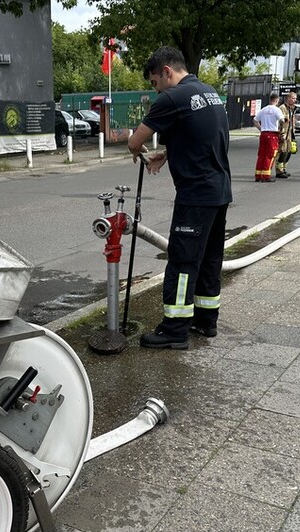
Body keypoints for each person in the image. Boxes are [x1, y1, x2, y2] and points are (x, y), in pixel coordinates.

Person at [127, 46, 232, 350]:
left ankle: (174, 330)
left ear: (166, 72)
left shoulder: (171, 98)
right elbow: (202, 137)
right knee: (210, 259)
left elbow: (135, 140)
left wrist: (138, 151)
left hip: (196, 195)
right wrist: (168, 153)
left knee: (183, 261)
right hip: (219, 191)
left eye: (154, 82)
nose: (155, 88)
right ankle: (206, 321)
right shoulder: (208, 92)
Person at [253, 92, 284, 182]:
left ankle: (258, 175)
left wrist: (261, 128)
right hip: (272, 134)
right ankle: (266, 175)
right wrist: (281, 130)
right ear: (277, 100)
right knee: (270, 155)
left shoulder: (263, 109)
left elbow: (255, 120)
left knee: (261, 155)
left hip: (263, 134)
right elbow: (282, 120)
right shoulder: (277, 110)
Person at [276, 91, 297, 179]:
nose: (295, 100)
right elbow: (280, 122)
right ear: (288, 98)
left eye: (295, 98)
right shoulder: (282, 108)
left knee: (289, 152)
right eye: (293, 98)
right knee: (283, 152)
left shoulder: (292, 108)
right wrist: (281, 133)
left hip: (290, 133)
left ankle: (284, 169)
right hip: (284, 133)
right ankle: (279, 171)